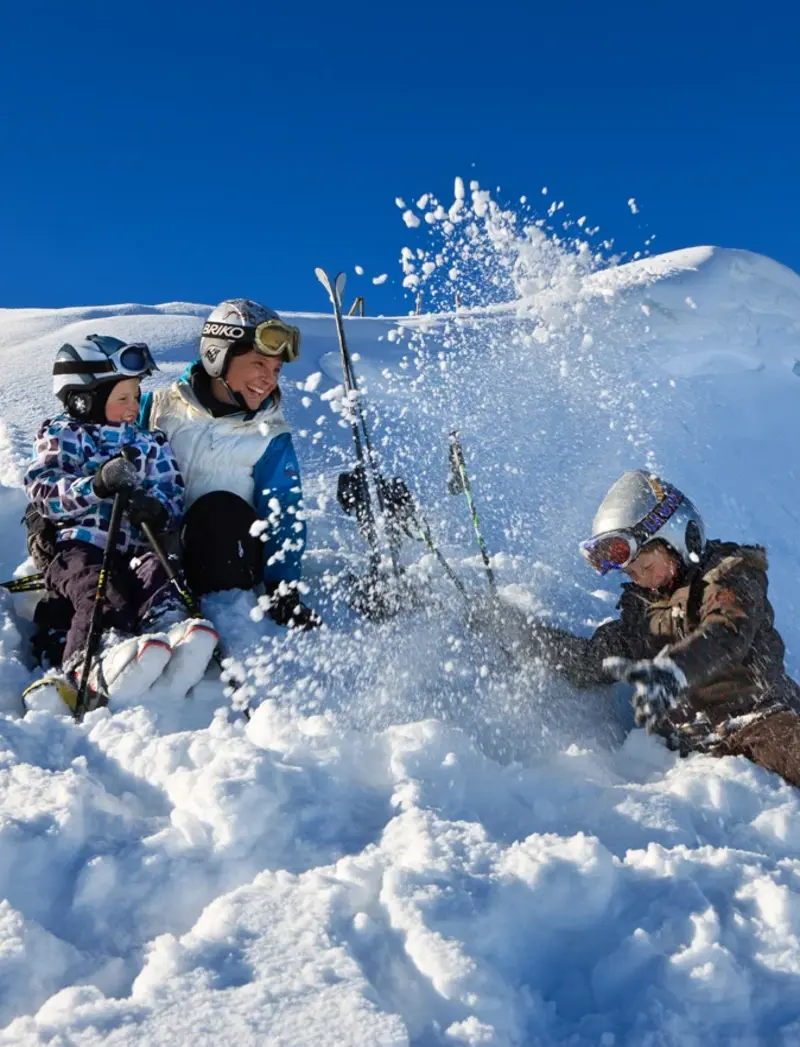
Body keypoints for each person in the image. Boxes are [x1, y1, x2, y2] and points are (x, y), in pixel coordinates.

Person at [523, 469, 800, 787]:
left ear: (678, 540)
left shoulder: (729, 577)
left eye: (646, 567)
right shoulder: (643, 613)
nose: (639, 579)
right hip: (696, 740)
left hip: (762, 716)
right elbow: (595, 658)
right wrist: (524, 638)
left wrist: (673, 671)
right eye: (631, 573)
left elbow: (727, 632)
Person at [23, 334, 219, 711]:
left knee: (160, 573)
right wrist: (95, 486)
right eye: (123, 398)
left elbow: (171, 490)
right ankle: (88, 660)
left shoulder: (150, 442)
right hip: (78, 546)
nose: (135, 406)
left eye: (137, 393)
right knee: (100, 587)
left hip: (137, 545)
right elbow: (43, 491)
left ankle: (170, 634)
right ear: (84, 399)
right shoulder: (64, 434)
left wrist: (157, 508)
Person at [139, 298, 320, 629]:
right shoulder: (156, 408)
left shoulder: (270, 434)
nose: (269, 379)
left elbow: (284, 509)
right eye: (259, 364)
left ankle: (221, 626)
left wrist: (284, 586)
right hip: (157, 555)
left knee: (218, 511)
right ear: (216, 355)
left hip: (226, 560)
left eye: (276, 370)